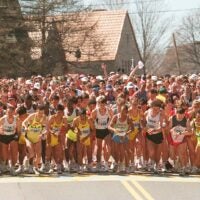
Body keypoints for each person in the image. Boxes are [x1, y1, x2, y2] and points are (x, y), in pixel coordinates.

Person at [22, 104, 47, 175]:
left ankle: (35, 167)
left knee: (39, 156)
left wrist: (43, 133)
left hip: (37, 138)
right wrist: (25, 127)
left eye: (42, 113)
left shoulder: (44, 117)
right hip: (29, 138)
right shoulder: (32, 116)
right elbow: (23, 123)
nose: (41, 114)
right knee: (32, 153)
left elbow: (45, 128)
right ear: (37, 111)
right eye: (39, 112)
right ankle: (28, 164)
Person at [109, 105, 134, 172]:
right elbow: (109, 126)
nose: (123, 113)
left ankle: (127, 166)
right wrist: (114, 130)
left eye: (125, 112)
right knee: (117, 151)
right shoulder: (116, 117)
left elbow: (132, 129)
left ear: (126, 112)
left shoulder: (128, 118)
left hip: (124, 136)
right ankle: (118, 164)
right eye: (122, 111)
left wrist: (126, 133)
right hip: (117, 135)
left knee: (126, 151)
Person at [92, 95, 113, 172]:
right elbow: (91, 120)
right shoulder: (95, 111)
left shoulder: (109, 110)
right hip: (98, 130)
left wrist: (110, 126)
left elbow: (113, 118)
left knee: (108, 147)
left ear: (105, 104)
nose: (102, 105)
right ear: (98, 103)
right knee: (99, 148)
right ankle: (98, 164)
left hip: (106, 130)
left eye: (103, 104)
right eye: (100, 104)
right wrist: (94, 131)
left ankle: (106, 163)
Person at [46, 104, 68, 174]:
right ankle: (50, 166)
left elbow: (66, 129)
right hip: (51, 136)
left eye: (61, 112)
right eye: (58, 112)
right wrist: (51, 135)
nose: (59, 114)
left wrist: (61, 134)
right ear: (56, 112)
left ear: (63, 112)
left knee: (59, 151)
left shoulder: (64, 119)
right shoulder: (52, 118)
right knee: (50, 153)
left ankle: (59, 166)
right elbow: (47, 128)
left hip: (58, 136)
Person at [73, 108, 95, 172]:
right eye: (80, 115)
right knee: (79, 152)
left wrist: (87, 137)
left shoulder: (89, 120)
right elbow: (73, 128)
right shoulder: (76, 120)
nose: (82, 117)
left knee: (89, 151)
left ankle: (89, 165)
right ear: (78, 115)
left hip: (88, 136)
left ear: (85, 115)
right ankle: (80, 166)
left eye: (83, 115)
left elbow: (93, 130)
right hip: (79, 137)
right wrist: (77, 131)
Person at [0, 105, 19, 175]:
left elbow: (19, 130)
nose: (9, 114)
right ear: (6, 112)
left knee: (14, 152)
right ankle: (4, 166)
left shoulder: (16, 119)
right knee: (4, 155)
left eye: (11, 112)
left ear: (13, 112)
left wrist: (17, 136)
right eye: (8, 112)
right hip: (3, 137)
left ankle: (12, 168)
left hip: (12, 136)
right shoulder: (2, 119)